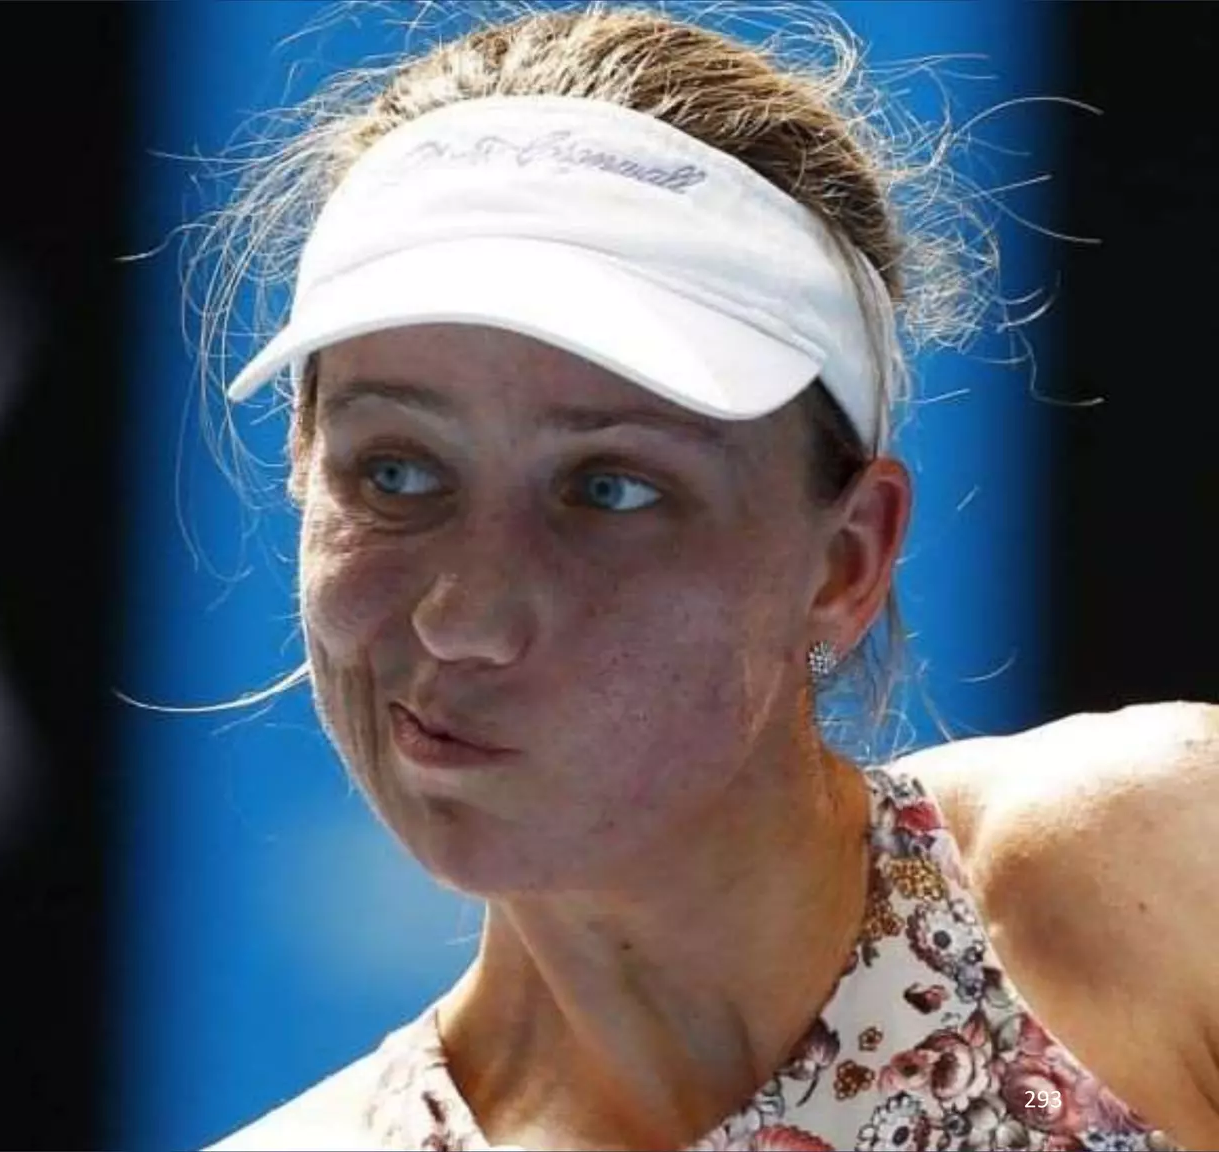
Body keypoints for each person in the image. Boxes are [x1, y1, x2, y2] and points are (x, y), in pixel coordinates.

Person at [191, 4, 1218, 1150]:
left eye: (608, 489)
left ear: (845, 558)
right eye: (394, 471)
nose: (464, 619)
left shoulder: (1166, 861)